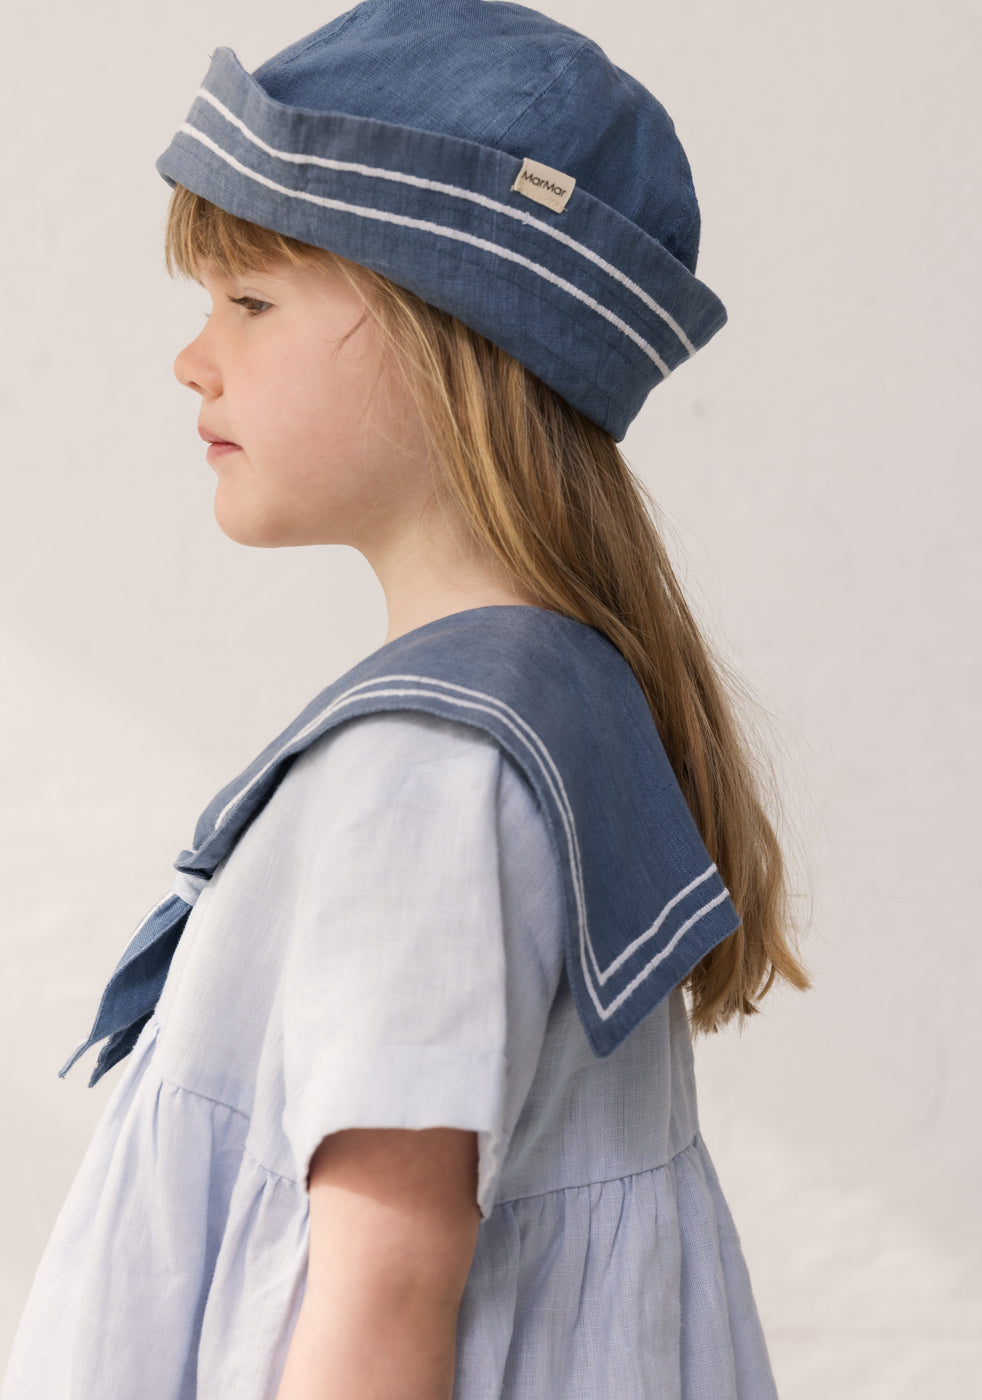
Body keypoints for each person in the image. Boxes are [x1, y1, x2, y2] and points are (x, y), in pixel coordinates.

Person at [1, 1, 811, 1397]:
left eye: (251, 302)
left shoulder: (427, 774)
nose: (195, 357)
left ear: (455, 341)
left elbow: (381, 1298)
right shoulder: (545, 708)